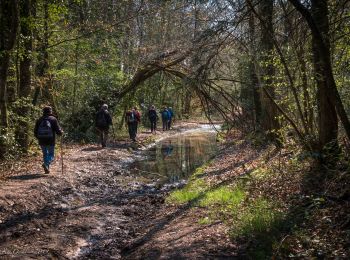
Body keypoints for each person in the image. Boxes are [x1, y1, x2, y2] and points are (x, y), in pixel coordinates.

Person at [34, 106, 63, 174]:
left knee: (45, 154)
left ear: (43, 112)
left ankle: (46, 167)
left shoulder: (39, 119)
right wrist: (61, 132)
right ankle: (46, 164)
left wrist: (39, 138)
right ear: (50, 111)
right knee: (51, 155)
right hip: (50, 139)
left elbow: (35, 131)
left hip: (41, 140)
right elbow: (58, 131)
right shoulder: (53, 119)